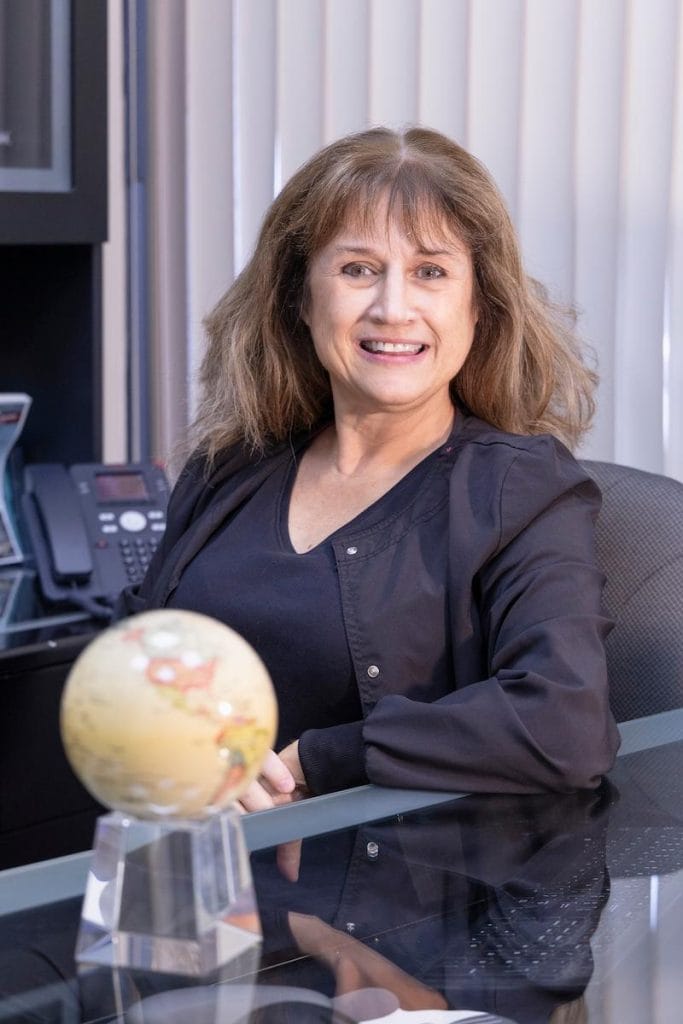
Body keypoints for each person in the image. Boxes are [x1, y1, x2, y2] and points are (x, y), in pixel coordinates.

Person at [117, 126, 620, 811]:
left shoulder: (519, 490)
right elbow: (135, 666)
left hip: (394, 900)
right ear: (300, 298)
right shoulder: (228, 467)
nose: (391, 308)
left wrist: (317, 762)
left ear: (478, 305)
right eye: (356, 269)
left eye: (430, 272)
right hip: (201, 876)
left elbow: (564, 726)